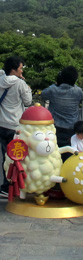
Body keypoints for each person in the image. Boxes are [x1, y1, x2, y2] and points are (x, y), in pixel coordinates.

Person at [0, 56, 32, 197]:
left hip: (1, 124)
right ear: (14, 70)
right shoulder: (20, 84)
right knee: (16, 158)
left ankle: (6, 187)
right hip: (14, 126)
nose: (21, 71)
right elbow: (28, 101)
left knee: (5, 157)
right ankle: (15, 186)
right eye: (20, 68)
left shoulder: (0, 80)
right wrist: (27, 87)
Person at [41, 66, 83, 161]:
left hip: (55, 128)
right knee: (69, 157)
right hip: (71, 129)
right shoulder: (78, 91)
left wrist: (56, 84)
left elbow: (43, 94)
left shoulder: (53, 90)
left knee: (54, 156)